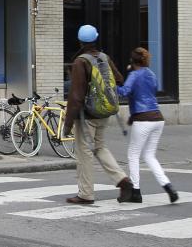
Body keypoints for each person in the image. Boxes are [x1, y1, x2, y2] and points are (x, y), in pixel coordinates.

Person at [63, 24, 134, 205]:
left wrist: (68, 124)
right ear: (95, 39)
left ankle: (86, 194)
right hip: (105, 112)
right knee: (99, 147)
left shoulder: (81, 61)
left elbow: (76, 96)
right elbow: (119, 79)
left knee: (84, 153)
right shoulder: (104, 57)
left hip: (87, 116)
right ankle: (123, 180)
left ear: (80, 41)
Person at [116, 47, 178, 204]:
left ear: (132, 61)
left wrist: (111, 86)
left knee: (133, 154)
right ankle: (168, 187)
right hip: (158, 118)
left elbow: (124, 92)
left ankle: (135, 192)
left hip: (143, 119)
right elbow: (153, 90)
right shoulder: (151, 74)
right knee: (150, 156)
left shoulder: (134, 75)